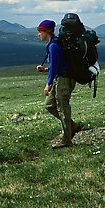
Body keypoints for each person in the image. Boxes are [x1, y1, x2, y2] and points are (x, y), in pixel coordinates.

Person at [36, 19, 81, 149]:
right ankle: (72, 126)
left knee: (63, 109)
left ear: (47, 31)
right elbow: (58, 65)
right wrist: (46, 70)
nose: (39, 34)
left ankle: (67, 140)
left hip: (65, 79)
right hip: (61, 77)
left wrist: (48, 84)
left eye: (40, 31)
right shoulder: (54, 43)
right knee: (49, 105)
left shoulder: (54, 46)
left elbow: (56, 66)